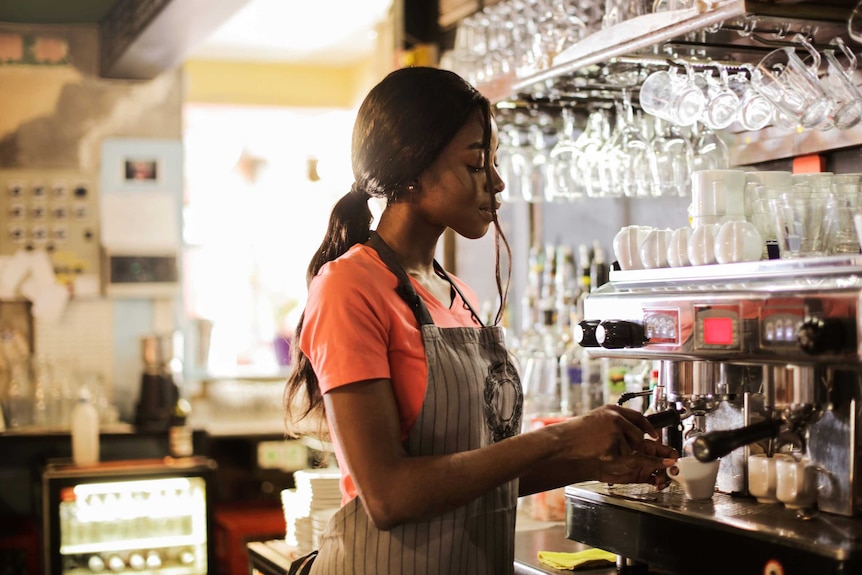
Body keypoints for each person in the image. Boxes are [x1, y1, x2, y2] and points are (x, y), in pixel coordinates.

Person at [283, 66, 678, 575]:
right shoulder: (349, 287)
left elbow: (480, 473)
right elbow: (389, 497)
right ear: (413, 167)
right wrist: (561, 437)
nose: (497, 181)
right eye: (476, 164)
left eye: (493, 162)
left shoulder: (459, 294)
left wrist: (598, 461)